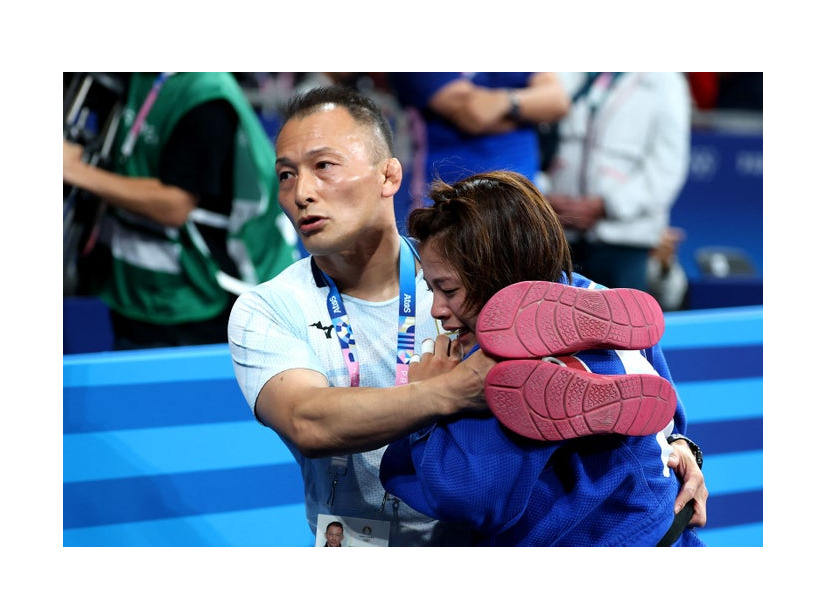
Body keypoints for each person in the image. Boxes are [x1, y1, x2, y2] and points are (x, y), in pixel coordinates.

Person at [227, 85, 707, 547]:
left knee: (547, 340)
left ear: (388, 176)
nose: (301, 192)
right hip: (360, 542)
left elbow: (615, 325)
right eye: (286, 174)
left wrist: (678, 444)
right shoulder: (266, 309)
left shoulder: (471, 270)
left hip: (473, 537)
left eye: (323, 166)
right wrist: (447, 391)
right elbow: (308, 422)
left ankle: (636, 458)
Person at [379, 170, 707, 546]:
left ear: (496, 274)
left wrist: (427, 399)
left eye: (448, 289)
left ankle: (567, 363)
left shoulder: (495, 372)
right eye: (431, 288)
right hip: (662, 528)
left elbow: (465, 495)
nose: (437, 309)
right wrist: (684, 446)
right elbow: (663, 410)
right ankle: (573, 362)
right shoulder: (601, 303)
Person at [63, 72, 299, 350]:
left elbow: (174, 205)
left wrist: (76, 171)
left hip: (194, 296)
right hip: (135, 289)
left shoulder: (205, 97)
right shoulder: (135, 76)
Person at [538, 72, 692, 293]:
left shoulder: (665, 80)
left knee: (623, 323)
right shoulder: (561, 72)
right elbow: (538, 144)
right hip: (559, 236)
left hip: (624, 242)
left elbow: (667, 167)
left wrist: (607, 207)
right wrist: (543, 199)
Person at [388, 72, 570, 215]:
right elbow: (473, 115)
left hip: (519, 206)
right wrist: (528, 112)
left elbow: (558, 101)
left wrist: (505, 101)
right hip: (445, 206)